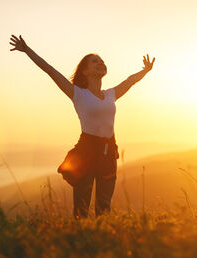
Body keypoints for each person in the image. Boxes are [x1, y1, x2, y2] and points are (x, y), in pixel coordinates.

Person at [9, 34, 155, 218]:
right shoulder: (77, 93)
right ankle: (80, 241)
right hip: (86, 151)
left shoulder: (111, 94)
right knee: (81, 209)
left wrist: (146, 70)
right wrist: (27, 50)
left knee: (104, 208)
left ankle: (102, 242)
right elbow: (50, 71)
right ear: (84, 71)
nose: (101, 63)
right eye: (95, 62)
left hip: (108, 152)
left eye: (102, 61)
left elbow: (130, 81)